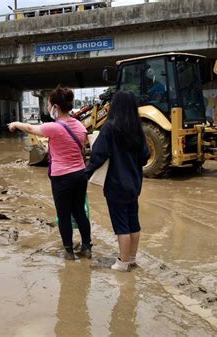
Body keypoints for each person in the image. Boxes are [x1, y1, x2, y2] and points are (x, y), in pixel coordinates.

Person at [8, 86, 92, 260]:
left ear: (55, 107)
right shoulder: (79, 126)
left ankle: (69, 252)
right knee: (79, 212)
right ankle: (86, 247)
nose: (48, 108)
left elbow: (31, 129)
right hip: (80, 175)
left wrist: (15, 124)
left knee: (63, 214)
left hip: (62, 177)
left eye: (48, 104)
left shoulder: (55, 127)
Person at [86, 91, 150, 271]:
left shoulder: (110, 128)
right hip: (134, 184)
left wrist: (85, 173)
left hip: (116, 184)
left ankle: (122, 263)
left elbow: (98, 155)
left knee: (121, 226)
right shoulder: (138, 129)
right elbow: (145, 156)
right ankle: (131, 259)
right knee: (133, 223)